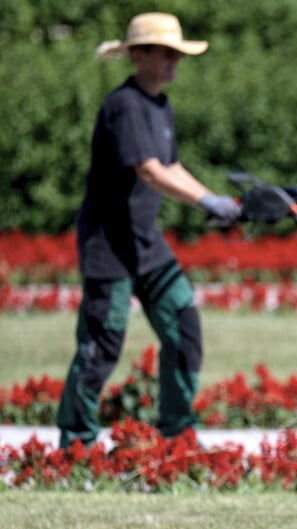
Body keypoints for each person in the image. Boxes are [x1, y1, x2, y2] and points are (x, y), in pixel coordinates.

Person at [56, 13, 241, 448]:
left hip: (145, 244)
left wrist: (218, 202)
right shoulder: (124, 105)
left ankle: (177, 434)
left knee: (184, 324)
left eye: (178, 54)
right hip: (110, 247)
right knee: (102, 346)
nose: (174, 61)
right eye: (166, 53)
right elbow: (151, 172)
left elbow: (172, 166)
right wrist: (205, 202)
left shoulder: (159, 105)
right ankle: (74, 443)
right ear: (138, 55)